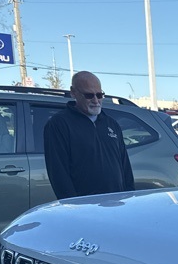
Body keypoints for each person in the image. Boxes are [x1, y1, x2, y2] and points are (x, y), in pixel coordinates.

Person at [44, 71, 135, 200]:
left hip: (116, 203)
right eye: (89, 95)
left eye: (99, 95)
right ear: (73, 92)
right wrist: (73, 206)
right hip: (85, 206)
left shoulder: (111, 124)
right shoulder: (59, 124)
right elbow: (59, 173)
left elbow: (125, 165)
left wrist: (129, 197)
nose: (96, 100)